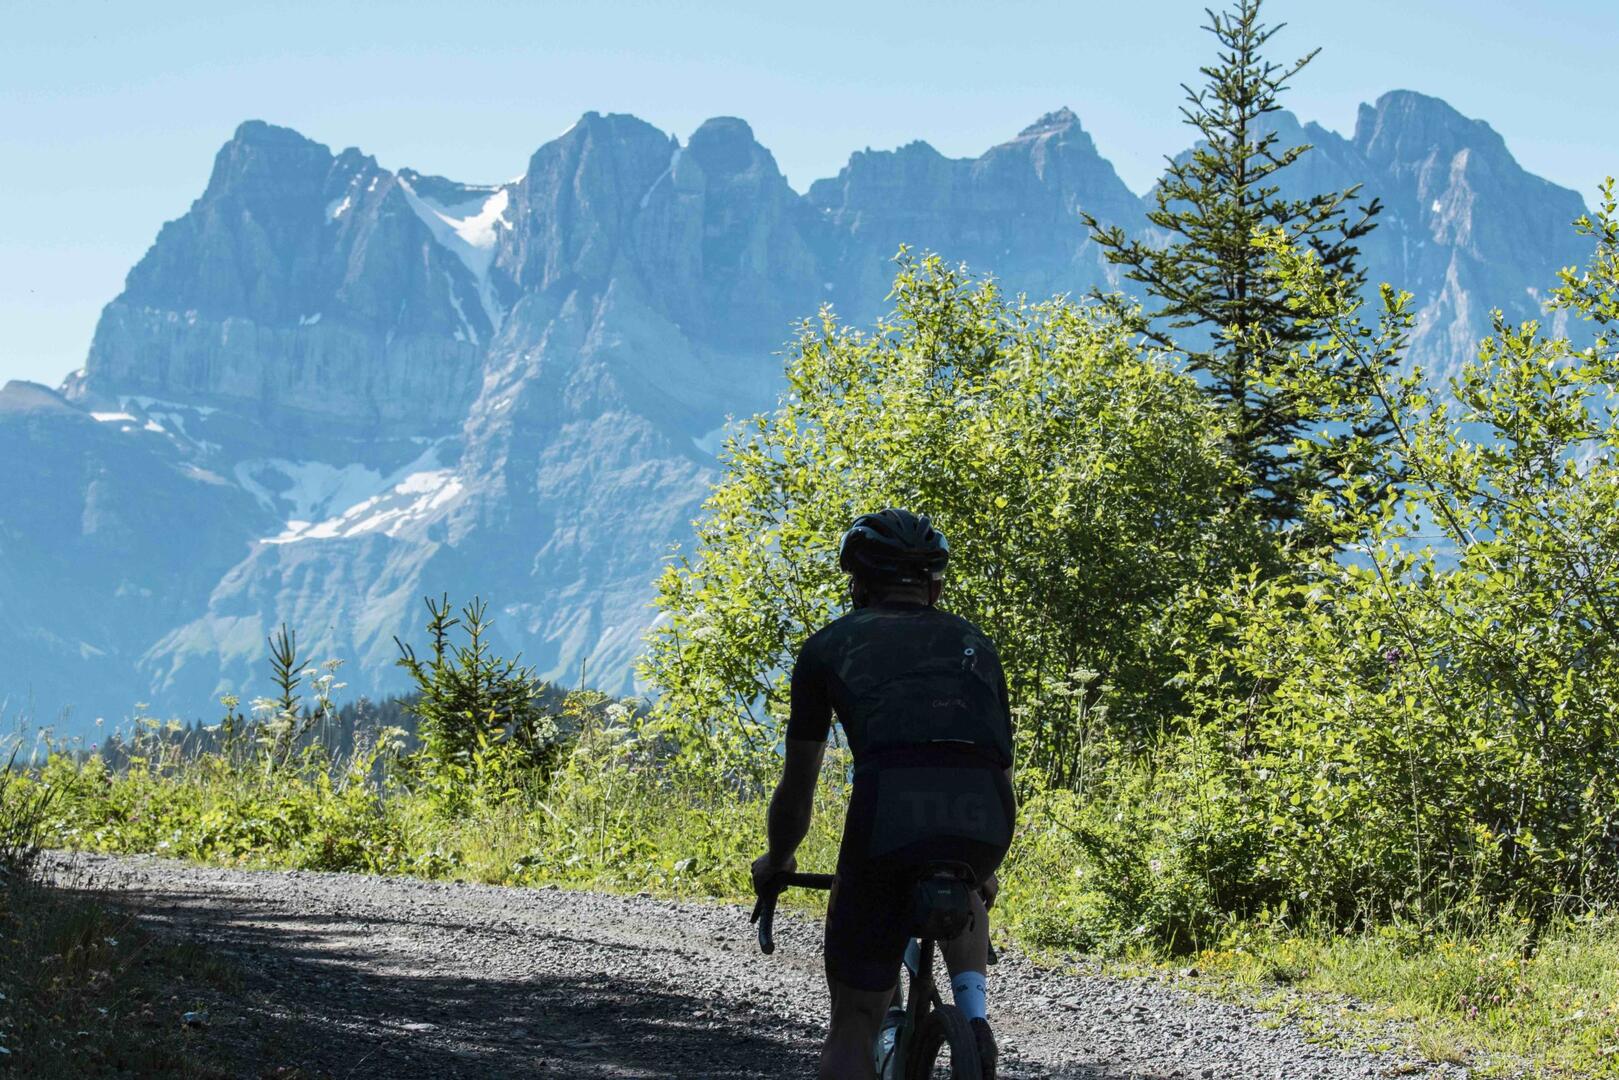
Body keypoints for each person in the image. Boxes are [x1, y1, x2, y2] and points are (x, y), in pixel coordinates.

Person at [752, 508, 1017, 1080]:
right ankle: (975, 1019)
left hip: (888, 822)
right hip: (986, 820)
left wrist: (779, 859)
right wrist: (982, 862)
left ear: (858, 581)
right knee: (963, 880)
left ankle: (878, 1040)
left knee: (853, 1021)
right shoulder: (978, 644)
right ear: (933, 582)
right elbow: (996, 760)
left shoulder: (829, 648)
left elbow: (798, 786)